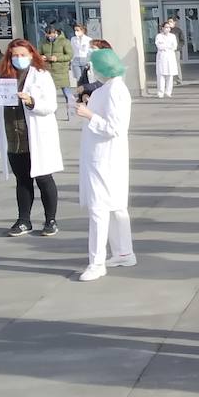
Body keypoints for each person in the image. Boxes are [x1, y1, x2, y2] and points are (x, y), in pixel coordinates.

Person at [0, 39, 63, 237]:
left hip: (35, 135)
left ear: (31, 55)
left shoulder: (41, 76)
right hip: (13, 137)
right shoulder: (4, 77)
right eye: (15, 55)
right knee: (22, 180)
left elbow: (50, 106)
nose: (19, 59)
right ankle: (23, 220)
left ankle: (50, 220)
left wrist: (31, 101)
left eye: (22, 55)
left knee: (44, 178)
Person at [75, 48, 135, 282]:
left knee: (100, 208)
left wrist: (89, 115)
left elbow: (115, 128)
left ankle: (97, 262)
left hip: (106, 158)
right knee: (115, 207)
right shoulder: (109, 88)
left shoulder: (115, 91)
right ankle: (123, 251)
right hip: (102, 156)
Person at [38, 25, 74, 120]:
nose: (49, 37)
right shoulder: (43, 42)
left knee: (67, 93)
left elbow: (69, 55)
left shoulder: (64, 42)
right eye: (47, 35)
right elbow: (38, 53)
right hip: (48, 71)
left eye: (51, 34)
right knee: (50, 95)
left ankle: (71, 113)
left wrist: (57, 58)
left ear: (55, 33)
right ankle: (52, 114)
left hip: (61, 71)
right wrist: (41, 57)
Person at [154, 22, 180, 98]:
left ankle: (168, 92)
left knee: (170, 75)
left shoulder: (172, 36)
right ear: (162, 28)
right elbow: (159, 46)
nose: (167, 29)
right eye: (166, 27)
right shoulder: (159, 36)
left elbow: (174, 46)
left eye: (169, 27)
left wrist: (166, 46)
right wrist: (167, 46)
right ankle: (160, 92)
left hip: (170, 56)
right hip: (162, 56)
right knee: (161, 75)